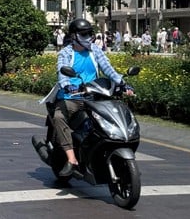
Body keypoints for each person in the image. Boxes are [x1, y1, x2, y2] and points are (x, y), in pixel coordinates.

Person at [52, 18, 133, 176]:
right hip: (72, 96)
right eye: (84, 34)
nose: (88, 37)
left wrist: (123, 83)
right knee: (58, 117)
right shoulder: (66, 53)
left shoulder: (94, 50)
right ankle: (71, 159)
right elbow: (62, 72)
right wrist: (67, 85)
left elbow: (108, 69)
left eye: (90, 33)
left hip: (95, 95)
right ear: (74, 36)